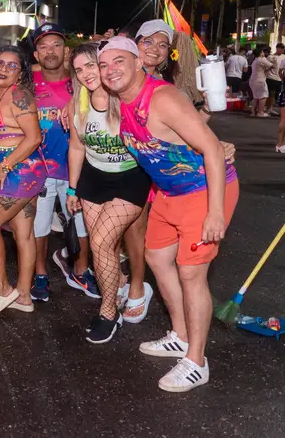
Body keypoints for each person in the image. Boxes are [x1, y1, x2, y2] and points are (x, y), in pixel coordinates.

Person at [99, 36, 239, 392]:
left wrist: (215, 212)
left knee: (191, 273)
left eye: (119, 61)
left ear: (136, 63)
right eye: (104, 65)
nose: (110, 70)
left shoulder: (162, 98)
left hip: (204, 190)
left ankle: (196, 361)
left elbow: (211, 149)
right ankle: (180, 335)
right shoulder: (120, 102)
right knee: (157, 258)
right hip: (169, 193)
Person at [66, 42, 153, 343]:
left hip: (130, 178)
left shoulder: (125, 97)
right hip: (93, 178)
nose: (86, 74)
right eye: (78, 70)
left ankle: (108, 312)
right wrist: (72, 187)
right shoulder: (78, 103)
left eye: (91, 65)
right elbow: (76, 147)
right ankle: (114, 293)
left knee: (101, 242)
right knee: (105, 247)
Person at [0, 46, 45, 315]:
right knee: (23, 233)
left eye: (12, 65)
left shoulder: (18, 95)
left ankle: (2, 289)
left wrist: (5, 166)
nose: (4, 68)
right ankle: (24, 296)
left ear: (21, 73)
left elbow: (34, 137)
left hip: (19, 169)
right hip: (20, 170)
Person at [28, 24, 94, 302]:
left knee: (82, 224)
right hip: (38, 169)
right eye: (43, 47)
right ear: (36, 54)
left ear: (66, 50)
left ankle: (80, 270)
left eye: (56, 45)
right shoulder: (27, 84)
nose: (50, 52)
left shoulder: (82, 82)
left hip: (75, 169)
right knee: (38, 226)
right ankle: (40, 274)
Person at [249, 46, 273, 118]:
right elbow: (271, 66)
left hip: (253, 80)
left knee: (255, 97)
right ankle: (260, 112)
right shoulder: (261, 59)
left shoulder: (255, 60)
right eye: (262, 52)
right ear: (260, 53)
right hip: (260, 80)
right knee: (263, 96)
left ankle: (253, 112)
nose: (263, 53)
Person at [265, 43, 284, 116]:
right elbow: (266, 67)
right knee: (270, 94)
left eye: (283, 49)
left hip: (280, 79)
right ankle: (268, 109)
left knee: (276, 96)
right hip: (271, 78)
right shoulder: (271, 57)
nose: (282, 51)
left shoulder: (283, 57)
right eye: (280, 49)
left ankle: (270, 108)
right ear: (277, 48)